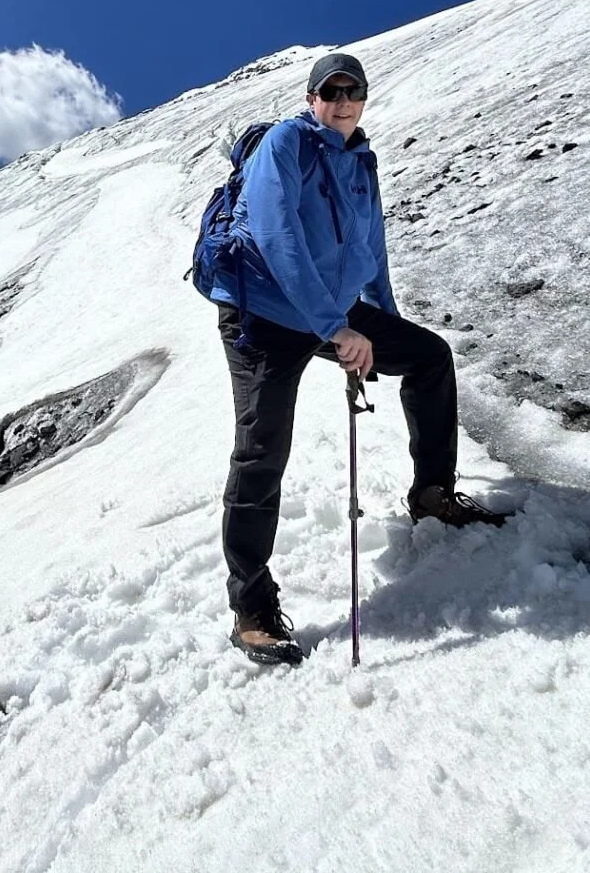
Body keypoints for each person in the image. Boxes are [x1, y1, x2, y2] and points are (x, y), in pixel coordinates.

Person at [207, 51, 505, 665]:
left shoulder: (360, 162)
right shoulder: (287, 143)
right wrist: (336, 329)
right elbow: (275, 233)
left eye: (353, 90)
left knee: (428, 357)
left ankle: (431, 492)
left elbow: (371, 249)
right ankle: (251, 609)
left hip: (327, 309)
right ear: (312, 97)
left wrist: (379, 322)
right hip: (261, 312)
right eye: (330, 90)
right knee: (261, 448)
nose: (342, 100)